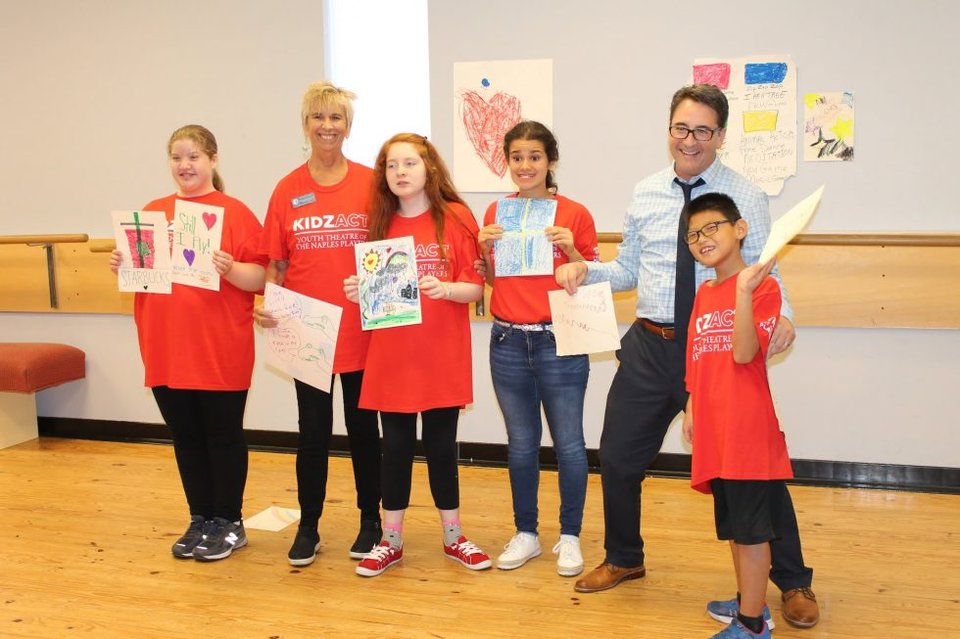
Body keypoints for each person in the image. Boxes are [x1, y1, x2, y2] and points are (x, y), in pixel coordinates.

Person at [555, 84, 819, 629]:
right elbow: (628, 268)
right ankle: (625, 557)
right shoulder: (646, 191)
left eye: (703, 130)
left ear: (720, 136)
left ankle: (793, 582)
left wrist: (784, 314)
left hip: (719, 348)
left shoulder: (743, 195)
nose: (691, 140)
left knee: (750, 474)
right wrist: (588, 268)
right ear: (668, 129)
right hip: (651, 346)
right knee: (621, 459)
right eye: (682, 128)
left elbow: (767, 265)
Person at [110, 124, 267, 562]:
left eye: (194, 156)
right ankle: (200, 518)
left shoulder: (235, 213)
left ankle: (230, 521)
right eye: (177, 157)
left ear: (213, 160)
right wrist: (122, 262)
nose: (185, 165)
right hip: (165, 346)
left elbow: (260, 279)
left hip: (219, 348)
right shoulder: (153, 213)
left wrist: (231, 267)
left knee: (222, 435)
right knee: (186, 437)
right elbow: (141, 277)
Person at [344, 133, 490, 577]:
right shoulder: (379, 223)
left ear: (429, 169)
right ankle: (391, 539)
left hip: (442, 353)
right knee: (397, 448)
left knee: (443, 446)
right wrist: (357, 292)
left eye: (409, 164)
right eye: (391, 166)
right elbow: (373, 292)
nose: (400, 173)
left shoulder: (456, 217)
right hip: (392, 356)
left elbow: (476, 286)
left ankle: (453, 536)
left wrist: (446, 289)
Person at [256, 81, 382, 567]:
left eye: (337, 119)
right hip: (306, 330)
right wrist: (268, 305)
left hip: (361, 327)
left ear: (348, 127)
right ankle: (308, 525)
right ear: (305, 125)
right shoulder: (288, 189)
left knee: (362, 429)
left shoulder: (373, 182)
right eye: (318, 118)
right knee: (312, 432)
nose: (327, 127)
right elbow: (277, 265)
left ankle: (370, 519)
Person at [478, 121, 599, 577]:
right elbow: (492, 280)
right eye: (516, 157)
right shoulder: (495, 211)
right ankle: (526, 533)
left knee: (569, 443)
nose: (525, 165)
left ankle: (569, 536)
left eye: (534, 156)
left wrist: (573, 253)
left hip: (559, 339)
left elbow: (593, 278)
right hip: (507, 338)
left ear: (550, 161)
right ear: (507, 162)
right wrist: (484, 251)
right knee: (521, 444)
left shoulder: (574, 213)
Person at [682, 192, 796, 638]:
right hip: (714, 427)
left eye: (712, 227)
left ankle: (752, 623)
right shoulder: (704, 293)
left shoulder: (762, 286)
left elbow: (746, 351)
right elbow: (697, 359)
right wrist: (692, 405)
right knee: (735, 527)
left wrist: (745, 292)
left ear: (740, 228)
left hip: (746, 429)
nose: (702, 239)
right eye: (694, 234)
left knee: (751, 531)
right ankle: (747, 599)